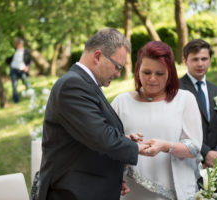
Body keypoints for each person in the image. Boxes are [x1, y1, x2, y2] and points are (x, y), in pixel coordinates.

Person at [37, 28, 147, 200]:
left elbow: (87, 136)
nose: (118, 74)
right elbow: (101, 137)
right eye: (117, 66)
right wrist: (137, 148)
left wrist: (113, 178)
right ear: (97, 56)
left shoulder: (86, 84)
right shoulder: (72, 85)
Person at [111, 41, 203, 200]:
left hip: (175, 191)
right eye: (146, 72)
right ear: (137, 70)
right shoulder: (121, 102)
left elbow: (194, 148)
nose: (152, 79)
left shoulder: (185, 100)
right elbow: (108, 145)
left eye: (160, 74)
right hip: (132, 191)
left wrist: (166, 146)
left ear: (170, 73)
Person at [180, 39, 217, 193]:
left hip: (215, 165)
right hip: (189, 164)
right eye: (195, 59)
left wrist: (216, 156)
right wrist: (205, 153)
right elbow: (179, 128)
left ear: (209, 60)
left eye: (204, 59)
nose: (200, 64)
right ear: (185, 61)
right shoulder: (177, 90)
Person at [6, 37, 32, 103]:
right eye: (16, 43)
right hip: (14, 69)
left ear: (21, 43)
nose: (16, 44)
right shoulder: (13, 51)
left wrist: (27, 67)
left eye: (18, 43)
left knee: (27, 83)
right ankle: (16, 100)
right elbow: (8, 60)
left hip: (22, 70)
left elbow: (30, 61)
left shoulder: (26, 51)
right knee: (14, 85)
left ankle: (32, 96)